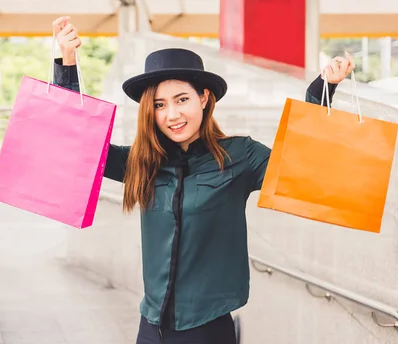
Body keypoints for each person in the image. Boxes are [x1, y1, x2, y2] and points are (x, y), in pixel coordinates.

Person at [51, 16, 355, 344]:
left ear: (204, 97)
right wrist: (67, 64)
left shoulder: (241, 156)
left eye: (182, 99)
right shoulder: (142, 162)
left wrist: (323, 89)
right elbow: (77, 143)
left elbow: (302, 168)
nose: (172, 115)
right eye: (159, 105)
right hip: (150, 328)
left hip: (207, 330)